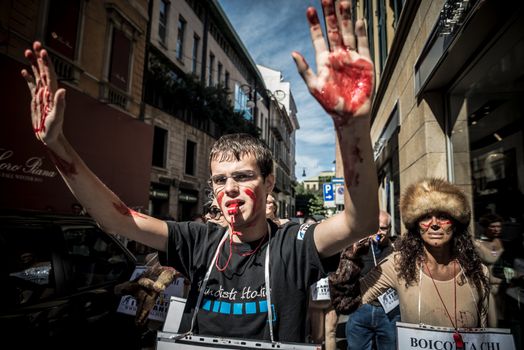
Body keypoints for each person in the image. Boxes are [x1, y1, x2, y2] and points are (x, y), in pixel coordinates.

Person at [20, 0, 378, 342]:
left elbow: (359, 223)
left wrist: (352, 128)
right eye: (221, 180)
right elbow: (118, 220)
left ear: (269, 182)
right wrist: (58, 146)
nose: (230, 189)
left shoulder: (294, 243)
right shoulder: (198, 241)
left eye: (243, 176)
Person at [330, 178, 496, 346]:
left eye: (443, 216)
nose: (434, 225)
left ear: (455, 223)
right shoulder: (399, 266)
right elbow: (345, 303)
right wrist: (351, 256)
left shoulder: (477, 272)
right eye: (425, 217)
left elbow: (487, 334)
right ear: (416, 225)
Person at [331, 210, 400, 350]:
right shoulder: (360, 248)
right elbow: (343, 277)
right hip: (361, 308)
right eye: (374, 227)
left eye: (383, 228)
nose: (378, 232)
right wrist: (354, 252)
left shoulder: (397, 249)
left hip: (389, 312)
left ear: (390, 229)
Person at [474, 213, 505, 326]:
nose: (497, 229)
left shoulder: (501, 242)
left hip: (504, 289)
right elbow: (489, 260)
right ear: (485, 227)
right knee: (492, 324)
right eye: (493, 226)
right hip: (488, 287)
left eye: (499, 226)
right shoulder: (478, 244)